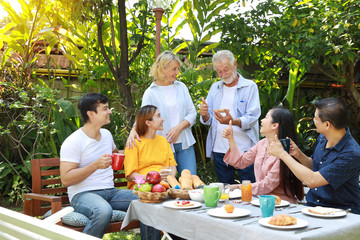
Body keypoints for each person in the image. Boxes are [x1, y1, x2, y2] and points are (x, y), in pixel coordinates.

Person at [60, 93, 158, 239]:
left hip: (111, 193)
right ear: (91, 114)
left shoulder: (106, 135)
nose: (110, 111)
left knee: (148, 200)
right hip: (83, 195)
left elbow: (116, 156)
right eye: (105, 109)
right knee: (103, 211)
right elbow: (66, 179)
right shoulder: (74, 141)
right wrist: (95, 165)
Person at [268, 97, 360, 214]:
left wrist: (282, 154)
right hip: (313, 206)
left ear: (327, 125)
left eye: (315, 118)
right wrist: (298, 155)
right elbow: (316, 168)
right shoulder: (323, 138)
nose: (313, 120)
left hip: (341, 211)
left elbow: (313, 180)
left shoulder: (351, 154)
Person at [126, 51, 197, 175]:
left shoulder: (181, 87)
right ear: (162, 70)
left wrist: (178, 128)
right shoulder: (151, 92)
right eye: (173, 69)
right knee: (167, 184)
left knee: (191, 180)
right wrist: (133, 131)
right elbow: (144, 116)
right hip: (163, 144)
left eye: (178, 68)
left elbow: (192, 113)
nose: (177, 73)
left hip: (185, 142)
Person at [199, 50, 261, 184]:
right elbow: (208, 120)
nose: (223, 75)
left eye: (226, 70)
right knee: (225, 191)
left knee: (248, 189)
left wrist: (232, 121)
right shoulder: (215, 87)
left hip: (244, 149)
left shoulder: (249, 86)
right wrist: (204, 114)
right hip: (220, 149)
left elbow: (252, 117)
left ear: (235, 64)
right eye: (219, 71)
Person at [222, 107, 304, 203]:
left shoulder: (284, 151)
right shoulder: (262, 144)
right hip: (260, 200)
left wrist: (238, 187)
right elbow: (241, 162)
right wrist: (230, 138)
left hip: (281, 204)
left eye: (265, 117)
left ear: (274, 125)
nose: (261, 120)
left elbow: (267, 185)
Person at [125, 105, 177, 189]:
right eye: (158, 116)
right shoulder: (133, 143)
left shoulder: (164, 141)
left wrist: (169, 179)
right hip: (142, 188)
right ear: (148, 122)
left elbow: (173, 167)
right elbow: (130, 175)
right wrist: (153, 178)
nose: (162, 119)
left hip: (163, 186)